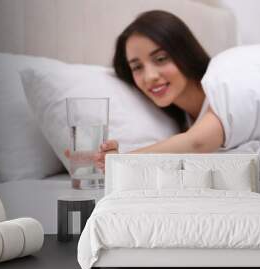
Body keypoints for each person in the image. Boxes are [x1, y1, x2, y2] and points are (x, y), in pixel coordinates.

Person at [66, 10, 225, 170]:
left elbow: (197, 143)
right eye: (137, 67)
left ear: (185, 51)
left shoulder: (225, 77)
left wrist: (118, 162)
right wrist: (96, 158)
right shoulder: (185, 120)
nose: (149, 77)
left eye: (161, 59)